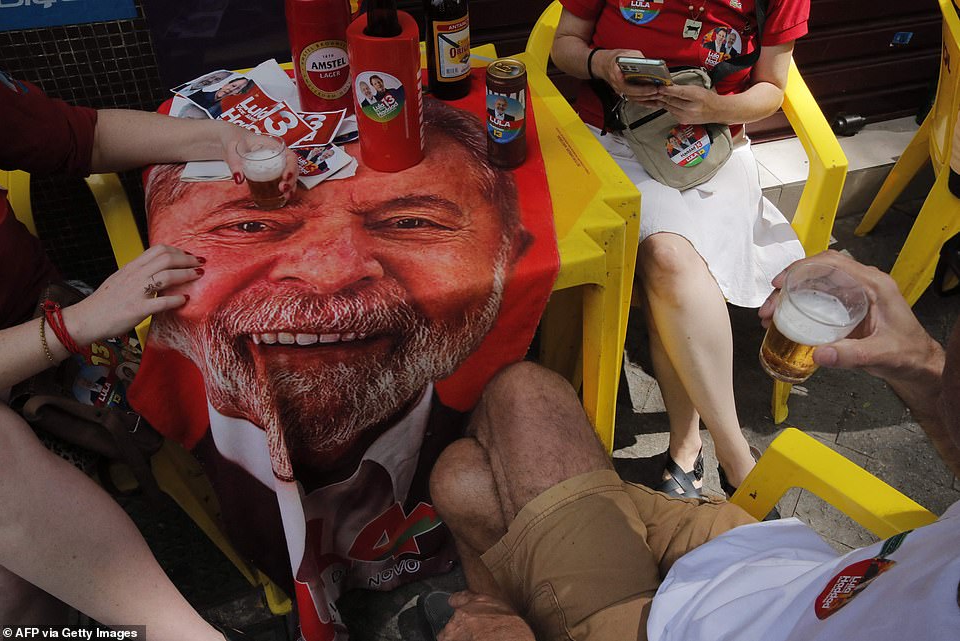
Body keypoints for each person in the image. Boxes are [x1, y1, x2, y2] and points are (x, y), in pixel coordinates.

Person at [139, 99, 534, 637]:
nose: (328, 274)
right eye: (250, 226)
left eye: (410, 222)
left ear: (511, 256)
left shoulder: (483, 432)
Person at [426, 250, 960, 641]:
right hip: (770, 568)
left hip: (674, 627)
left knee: (499, 428)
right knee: (463, 477)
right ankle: (497, 606)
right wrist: (927, 370)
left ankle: (492, 616)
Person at [0, 67, 294, 637]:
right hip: (62, 334)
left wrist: (224, 137)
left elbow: (84, 138)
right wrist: (80, 322)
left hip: (50, 331)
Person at [551, 0, 809, 499]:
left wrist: (716, 107)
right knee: (668, 259)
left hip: (713, 145)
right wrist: (599, 64)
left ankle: (688, 451)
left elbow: (771, 90)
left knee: (669, 269)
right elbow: (564, 45)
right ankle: (737, 463)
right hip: (615, 144)